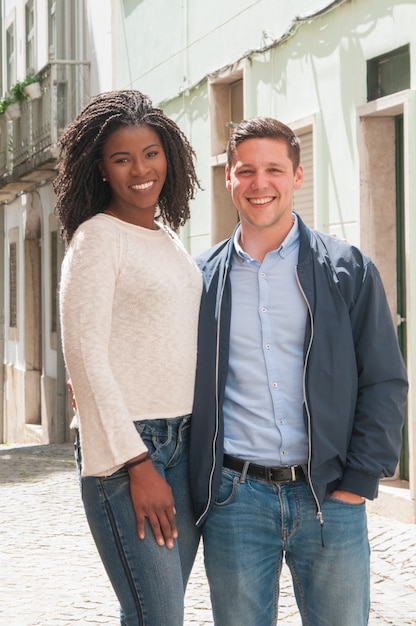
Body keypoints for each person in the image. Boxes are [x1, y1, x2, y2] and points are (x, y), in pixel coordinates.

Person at [189, 116, 408, 626]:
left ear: (297, 176)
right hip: (235, 500)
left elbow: (384, 379)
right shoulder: (200, 281)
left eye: (273, 169)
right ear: (228, 179)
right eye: (245, 171)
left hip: (330, 497)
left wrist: (357, 482)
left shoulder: (348, 269)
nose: (259, 184)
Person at [55, 89, 202, 626]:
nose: (141, 169)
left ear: (170, 155)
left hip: (185, 445)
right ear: (101, 168)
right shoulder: (96, 240)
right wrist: (137, 463)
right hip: (130, 455)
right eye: (122, 158)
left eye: (151, 153)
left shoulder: (168, 237)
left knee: (152, 612)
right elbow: (86, 357)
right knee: (157, 616)